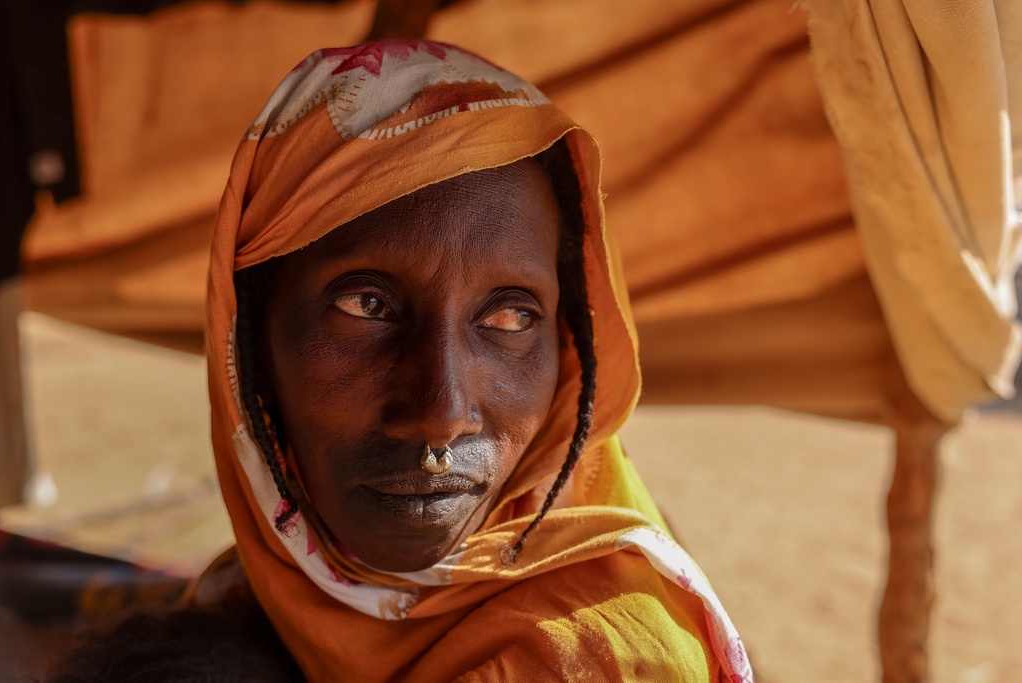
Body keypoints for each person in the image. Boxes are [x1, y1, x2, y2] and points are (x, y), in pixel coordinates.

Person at [51, 40, 752, 682]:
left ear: (569, 353)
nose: (441, 413)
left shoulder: (584, 662)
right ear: (249, 340)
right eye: (367, 305)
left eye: (509, 317)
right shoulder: (267, 594)